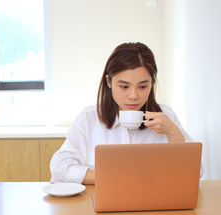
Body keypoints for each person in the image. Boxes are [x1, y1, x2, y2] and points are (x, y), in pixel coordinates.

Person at [50, 42, 193, 185]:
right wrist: (114, 177)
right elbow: (59, 168)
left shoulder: (165, 116)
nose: (133, 96)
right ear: (109, 81)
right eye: (124, 86)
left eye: (143, 86)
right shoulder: (89, 117)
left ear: (152, 83)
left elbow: (195, 173)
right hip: (100, 202)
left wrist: (172, 132)